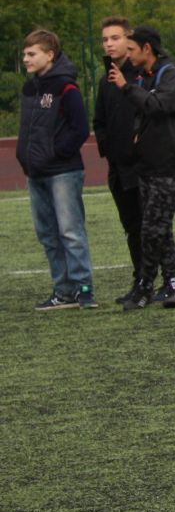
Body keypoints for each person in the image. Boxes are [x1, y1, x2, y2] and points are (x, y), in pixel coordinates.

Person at [115, 26, 175, 309]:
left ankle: (145, 286)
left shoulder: (170, 74)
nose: (128, 53)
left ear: (147, 49)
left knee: (151, 228)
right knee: (160, 228)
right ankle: (174, 285)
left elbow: (159, 105)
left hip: (169, 165)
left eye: (132, 48)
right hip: (148, 165)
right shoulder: (145, 77)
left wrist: (126, 88)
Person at [17, 29, 94, 310]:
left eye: (31, 54)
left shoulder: (66, 88)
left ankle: (84, 290)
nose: (26, 59)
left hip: (63, 172)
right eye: (25, 54)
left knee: (70, 232)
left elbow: (80, 129)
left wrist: (53, 154)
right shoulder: (30, 88)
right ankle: (63, 292)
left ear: (49, 55)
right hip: (35, 173)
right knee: (48, 234)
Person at [94, 16, 145, 303]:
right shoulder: (106, 80)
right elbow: (99, 120)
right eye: (105, 39)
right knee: (131, 227)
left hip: (141, 165)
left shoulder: (142, 76)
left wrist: (136, 146)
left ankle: (159, 282)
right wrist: (108, 148)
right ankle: (140, 280)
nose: (109, 43)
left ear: (129, 40)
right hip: (117, 167)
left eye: (115, 38)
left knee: (148, 226)